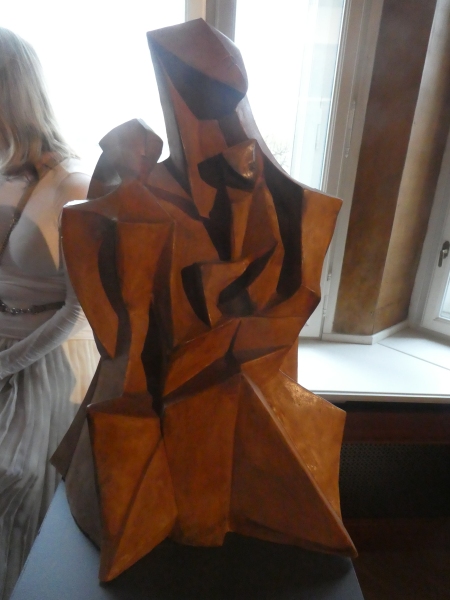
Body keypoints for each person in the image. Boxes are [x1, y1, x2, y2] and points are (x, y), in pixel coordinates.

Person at [0, 28, 99, 599]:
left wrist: (6, 364)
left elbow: (80, 310)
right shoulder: (7, 175)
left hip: (41, 365)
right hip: (4, 352)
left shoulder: (73, 183)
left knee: (16, 485)